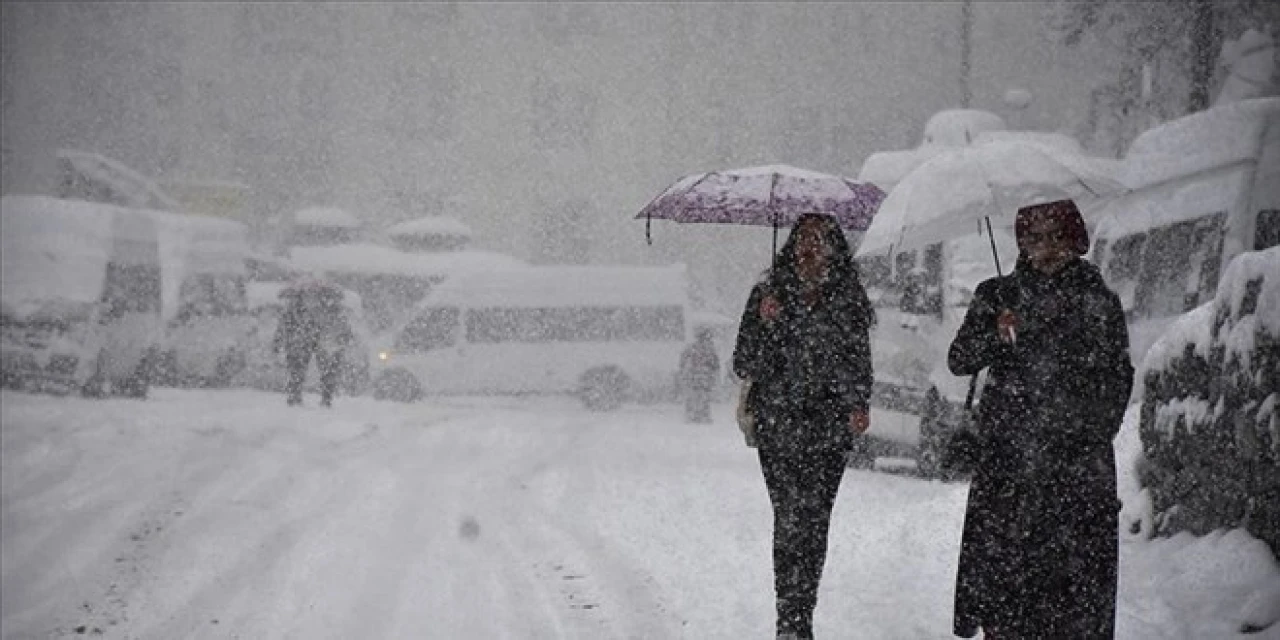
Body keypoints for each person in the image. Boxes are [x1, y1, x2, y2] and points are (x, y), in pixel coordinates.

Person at [947, 199, 1133, 639]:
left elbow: (1117, 376)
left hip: (1076, 471)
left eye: (1056, 236)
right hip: (1009, 469)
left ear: (1075, 240)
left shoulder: (1098, 300)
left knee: (1074, 597)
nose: (1046, 247)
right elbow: (959, 360)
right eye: (1035, 238)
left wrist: (1088, 431)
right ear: (1021, 243)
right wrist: (995, 332)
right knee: (1006, 591)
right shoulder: (996, 295)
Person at [732, 212, 876, 640]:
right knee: (790, 517)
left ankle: (802, 613)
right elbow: (744, 362)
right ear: (792, 245)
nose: (811, 248)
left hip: (829, 428)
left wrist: (858, 404)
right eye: (804, 240)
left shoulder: (847, 299)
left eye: (821, 240)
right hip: (778, 424)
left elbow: (858, 362)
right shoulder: (767, 294)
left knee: (814, 521)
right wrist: (766, 322)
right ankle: (788, 619)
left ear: (835, 248)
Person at [273, 283, 355, 408]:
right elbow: (342, 327)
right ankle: (316, 397)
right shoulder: (328, 310)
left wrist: (279, 342)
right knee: (315, 371)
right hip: (315, 343)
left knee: (301, 371)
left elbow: (284, 327)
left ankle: (301, 397)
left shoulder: (298, 310)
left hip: (307, 343)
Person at [679, 327, 721, 423]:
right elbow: (716, 364)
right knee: (702, 397)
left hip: (697, 376)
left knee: (696, 397)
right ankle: (701, 415)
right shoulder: (709, 349)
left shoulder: (693, 347)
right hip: (703, 376)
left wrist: (683, 370)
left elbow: (683, 359)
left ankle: (694, 415)